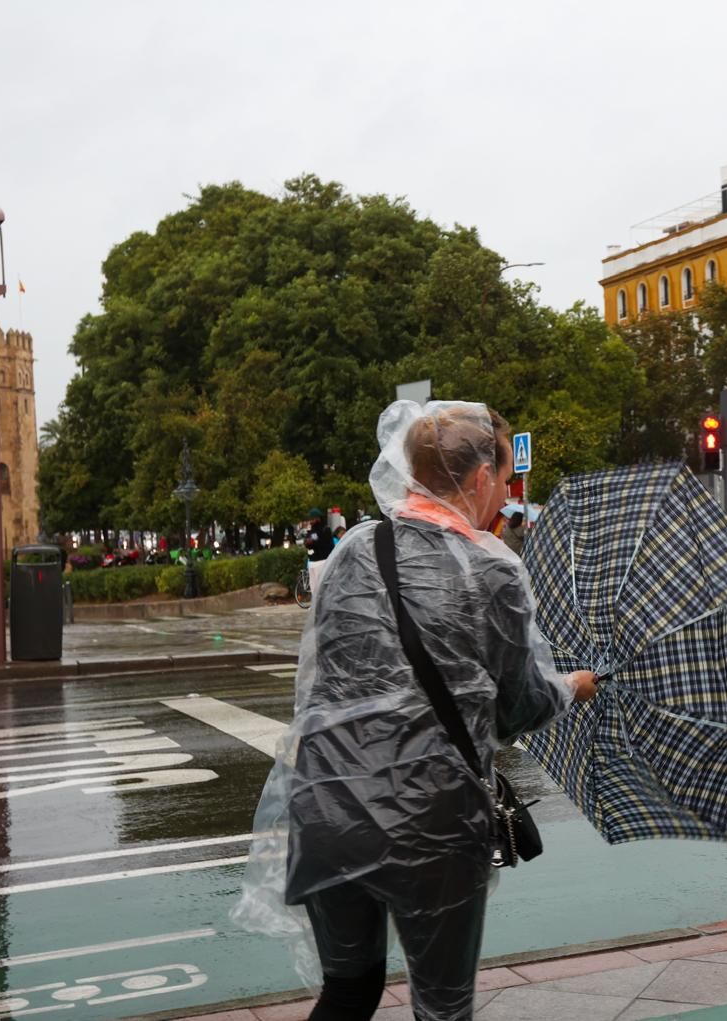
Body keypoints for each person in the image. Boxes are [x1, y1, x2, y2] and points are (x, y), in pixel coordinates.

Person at [234, 400, 598, 1021]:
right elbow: (516, 710)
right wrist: (573, 686)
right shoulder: (493, 570)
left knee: (348, 992)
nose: (506, 500)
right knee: (442, 1006)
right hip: (429, 819)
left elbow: (329, 680)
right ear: (481, 478)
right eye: (506, 483)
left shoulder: (353, 548)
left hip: (326, 803)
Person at [303, 508, 334, 593]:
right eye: (310, 519)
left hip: (322, 561)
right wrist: (307, 542)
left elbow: (327, 545)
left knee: (321, 587)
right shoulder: (311, 530)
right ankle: (315, 604)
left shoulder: (325, 529)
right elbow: (307, 541)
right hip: (312, 561)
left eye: (312, 519)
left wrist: (313, 542)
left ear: (318, 518)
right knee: (313, 587)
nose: (311, 521)